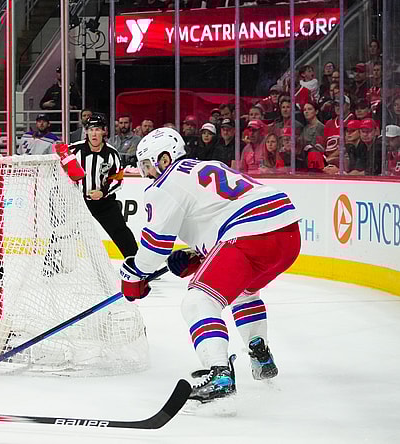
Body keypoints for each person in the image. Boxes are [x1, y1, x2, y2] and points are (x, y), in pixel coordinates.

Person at [120, 127, 300, 405]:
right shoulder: (207, 166)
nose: (145, 173)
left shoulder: (165, 184)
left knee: (197, 302)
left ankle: (220, 373)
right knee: (244, 291)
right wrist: (197, 254)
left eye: (147, 164)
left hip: (248, 234)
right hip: (287, 234)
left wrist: (133, 274)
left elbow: (154, 249)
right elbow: (219, 213)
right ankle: (259, 353)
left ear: (164, 159)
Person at [68, 113, 137, 258]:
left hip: (103, 203)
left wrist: (102, 192)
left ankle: (136, 264)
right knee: (62, 229)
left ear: (104, 131)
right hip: (76, 202)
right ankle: (53, 261)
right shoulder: (74, 150)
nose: (94, 133)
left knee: (120, 231)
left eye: (97, 129)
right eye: (91, 129)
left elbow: (117, 179)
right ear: (86, 131)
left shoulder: (112, 153)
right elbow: (60, 171)